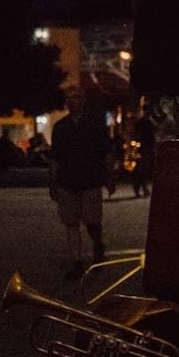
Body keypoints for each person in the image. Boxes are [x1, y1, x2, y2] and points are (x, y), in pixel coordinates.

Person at [48, 88, 114, 279]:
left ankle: (97, 243)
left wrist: (109, 177)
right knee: (71, 223)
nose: (71, 101)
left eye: (75, 97)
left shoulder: (94, 125)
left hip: (90, 180)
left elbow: (107, 152)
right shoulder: (61, 127)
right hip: (67, 181)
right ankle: (76, 263)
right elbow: (55, 157)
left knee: (92, 220)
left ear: (82, 101)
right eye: (68, 98)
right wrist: (53, 182)